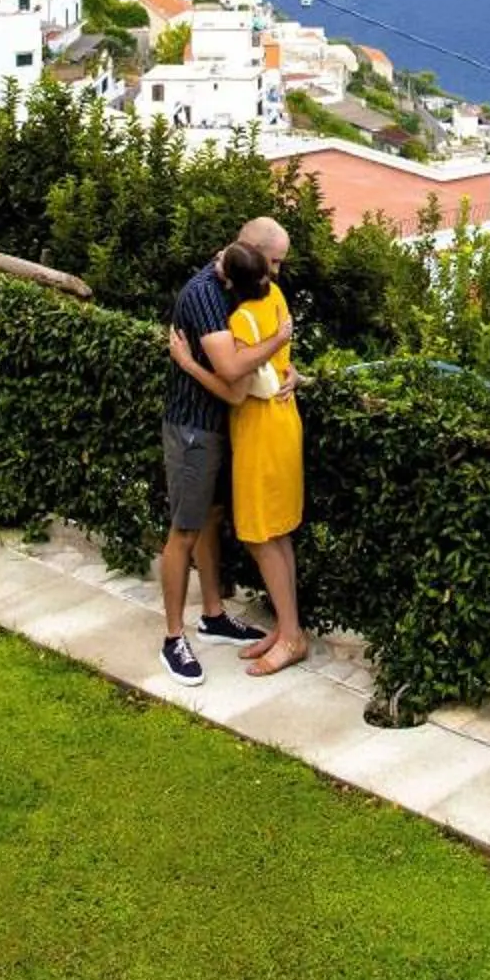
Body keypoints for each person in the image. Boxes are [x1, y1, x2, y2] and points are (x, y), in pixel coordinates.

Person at [158, 241, 290, 686]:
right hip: (193, 429)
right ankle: (172, 638)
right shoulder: (205, 296)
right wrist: (277, 340)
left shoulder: (237, 276)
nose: (274, 275)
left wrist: (288, 369)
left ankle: (212, 616)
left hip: (220, 428)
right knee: (183, 532)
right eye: (273, 263)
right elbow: (233, 380)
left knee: (210, 518)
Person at [218, 216, 306, 675]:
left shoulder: (241, 316)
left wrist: (188, 362)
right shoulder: (275, 298)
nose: (276, 271)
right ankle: (288, 628)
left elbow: (237, 384)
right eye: (272, 262)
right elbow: (281, 357)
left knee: (259, 533)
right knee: (277, 532)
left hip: (260, 428)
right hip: (282, 421)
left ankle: (290, 635)